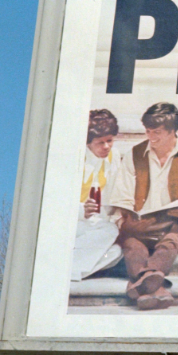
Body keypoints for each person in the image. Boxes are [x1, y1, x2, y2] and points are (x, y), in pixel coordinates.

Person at [107, 103, 178, 310]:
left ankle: (141, 287)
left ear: (172, 131)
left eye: (157, 132)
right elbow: (122, 198)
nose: (151, 137)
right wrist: (123, 218)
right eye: (148, 131)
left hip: (173, 223)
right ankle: (155, 286)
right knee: (132, 246)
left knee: (171, 242)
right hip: (140, 225)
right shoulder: (135, 153)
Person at [71, 109, 124, 281]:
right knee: (109, 231)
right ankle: (71, 268)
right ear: (88, 143)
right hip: (72, 223)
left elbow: (115, 194)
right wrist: (81, 211)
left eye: (109, 141)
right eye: (100, 143)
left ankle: (72, 269)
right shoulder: (75, 160)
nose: (106, 146)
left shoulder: (113, 156)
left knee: (116, 252)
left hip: (96, 225)